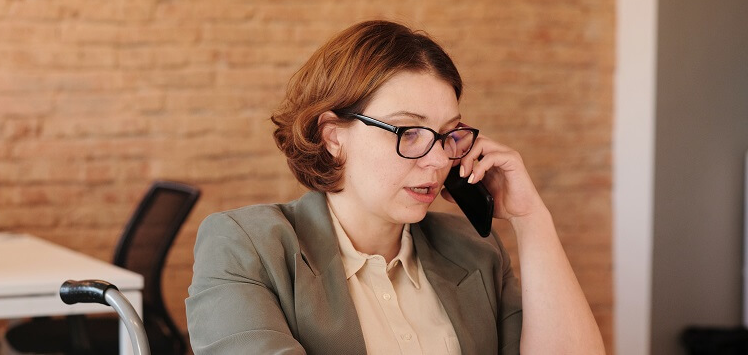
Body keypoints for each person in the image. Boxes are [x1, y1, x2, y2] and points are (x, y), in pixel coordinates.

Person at [185, 20, 605, 355]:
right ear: (333, 136)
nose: (440, 159)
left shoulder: (477, 252)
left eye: (448, 134)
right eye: (408, 131)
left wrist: (531, 219)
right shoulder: (246, 247)